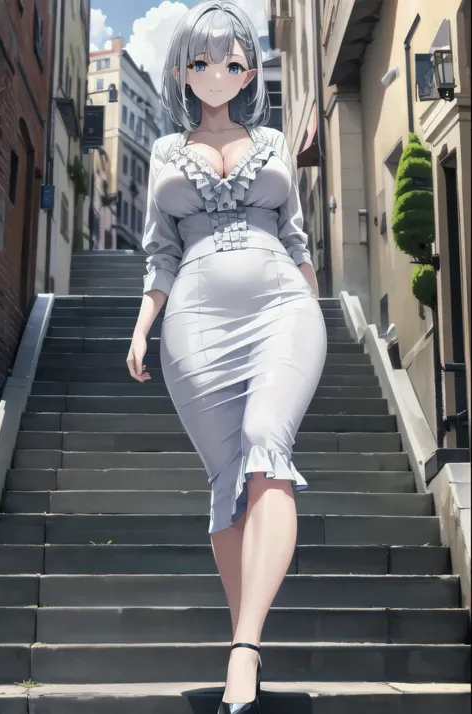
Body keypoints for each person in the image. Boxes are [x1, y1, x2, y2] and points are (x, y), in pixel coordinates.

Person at [126, 2, 327, 712]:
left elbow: (297, 237)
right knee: (227, 480)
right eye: (202, 62)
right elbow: (160, 252)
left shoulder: (272, 140)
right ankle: (249, 645)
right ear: (183, 70)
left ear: (247, 72)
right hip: (196, 324)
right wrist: (143, 324)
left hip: (280, 306)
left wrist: (320, 310)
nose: (218, 74)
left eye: (233, 62)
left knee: (264, 441)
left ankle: (243, 650)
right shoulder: (163, 150)